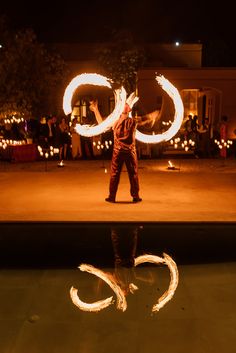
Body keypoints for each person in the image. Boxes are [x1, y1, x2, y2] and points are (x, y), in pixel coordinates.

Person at [91, 93, 157, 203]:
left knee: (129, 174)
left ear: (128, 109)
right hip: (123, 152)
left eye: (127, 105)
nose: (126, 105)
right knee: (121, 174)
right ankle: (115, 196)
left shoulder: (132, 121)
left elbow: (146, 120)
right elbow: (102, 124)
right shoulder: (117, 121)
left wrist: (152, 116)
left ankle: (130, 196)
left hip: (126, 152)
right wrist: (95, 110)